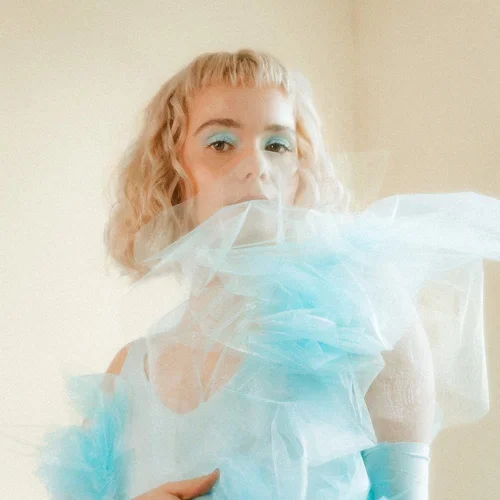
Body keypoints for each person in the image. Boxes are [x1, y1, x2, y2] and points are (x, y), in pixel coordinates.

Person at [28, 49, 500, 499]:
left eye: (277, 145)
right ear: (173, 175)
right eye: (220, 143)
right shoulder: (125, 375)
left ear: (298, 174)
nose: (256, 166)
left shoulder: (372, 333)